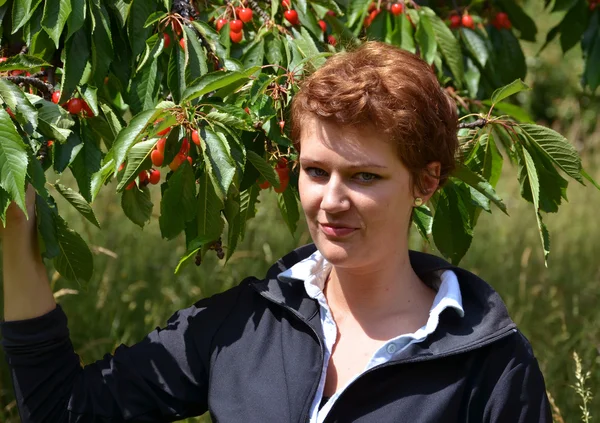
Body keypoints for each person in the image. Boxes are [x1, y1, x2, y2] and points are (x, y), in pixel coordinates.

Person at [1, 41, 551, 422]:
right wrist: (14, 243)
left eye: (365, 176)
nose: (331, 201)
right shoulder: (248, 325)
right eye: (316, 171)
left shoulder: (490, 364)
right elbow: (64, 410)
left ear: (425, 182)